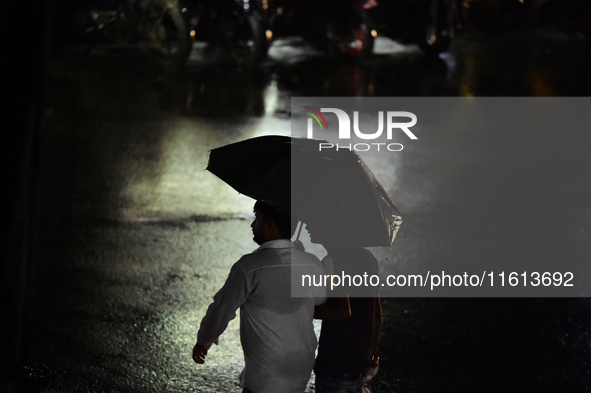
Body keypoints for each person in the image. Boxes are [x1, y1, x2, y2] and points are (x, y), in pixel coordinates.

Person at [192, 201, 326, 393]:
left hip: (266, 375)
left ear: (270, 224)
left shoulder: (249, 267)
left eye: (257, 218)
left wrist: (203, 342)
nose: (252, 224)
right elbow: (317, 301)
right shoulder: (312, 264)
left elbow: (222, 309)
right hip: (301, 370)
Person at [307, 226, 382, 393]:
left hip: (336, 364)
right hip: (359, 362)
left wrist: (303, 309)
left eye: (313, 221)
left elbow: (341, 311)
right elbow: (376, 311)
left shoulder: (331, 263)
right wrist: (371, 354)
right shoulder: (367, 257)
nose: (307, 225)